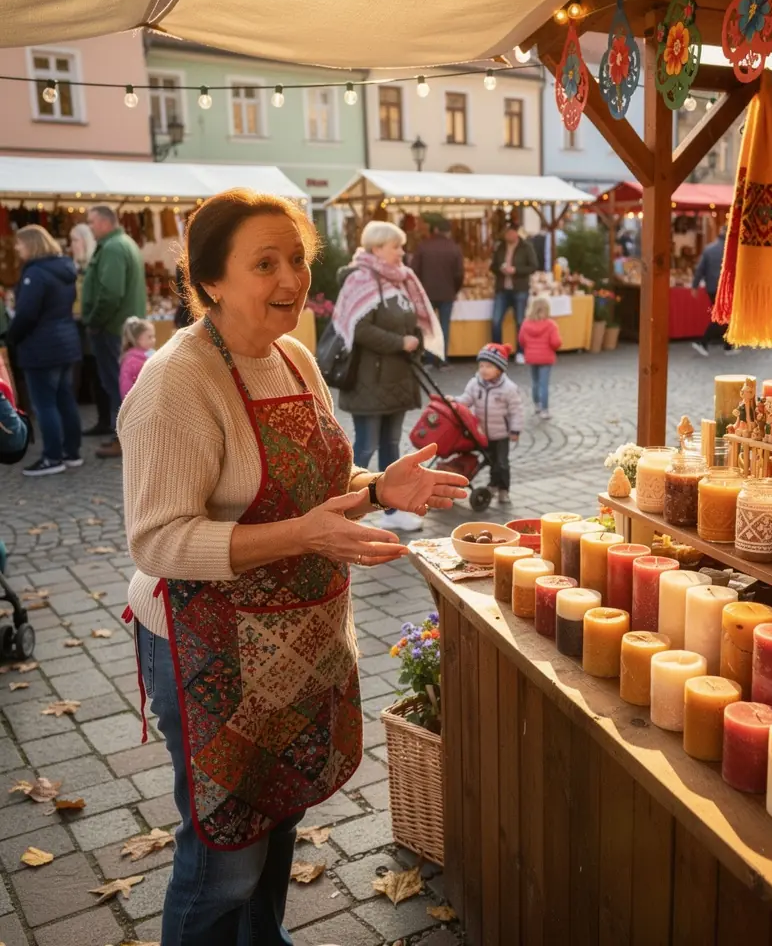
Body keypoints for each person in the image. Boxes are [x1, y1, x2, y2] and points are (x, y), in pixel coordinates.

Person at [119, 189, 468, 946]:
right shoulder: (176, 382)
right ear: (210, 279)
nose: (290, 280)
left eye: (298, 260)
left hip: (296, 642)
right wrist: (302, 537)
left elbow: (310, 493)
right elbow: (157, 542)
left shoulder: (295, 356)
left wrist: (378, 488)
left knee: (279, 814)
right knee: (225, 860)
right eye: (264, 263)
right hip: (205, 644)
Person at [334, 220, 446, 534]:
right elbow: (358, 328)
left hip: (397, 377)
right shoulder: (360, 279)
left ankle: (392, 510)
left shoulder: (401, 279)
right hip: (369, 381)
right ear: (377, 248)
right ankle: (336, 505)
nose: (401, 252)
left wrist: (414, 340)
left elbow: (413, 320)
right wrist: (399, 342)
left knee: (392, 445)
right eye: (396, 246)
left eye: (401, 245)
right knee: (366, 446)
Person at [6, 225, 83, 476]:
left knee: (45, 404)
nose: (17, 248)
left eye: (19, 244)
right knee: (64, 399)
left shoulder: (36, 274)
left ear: (31, 244)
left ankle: (53, 457)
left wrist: (12, 337)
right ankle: (72, 452)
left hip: (42, 347)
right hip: (65, 342)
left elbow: (27, 314)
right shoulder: (64, 268)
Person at [82, 205, 147, 459]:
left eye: (92, 222)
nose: (89, 227)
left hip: (113, 328)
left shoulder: (113, 247)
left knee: (118, 385)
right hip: (119, 327)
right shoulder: (122, 244)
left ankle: (123, 438)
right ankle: (122, 434)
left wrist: (95, 321)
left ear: (105, 223)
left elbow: (111, 293)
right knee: (120, 384)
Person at [455, 343, 523, 504]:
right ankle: (493, 484)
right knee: (490, 461)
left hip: (501, 434)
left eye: (489, 366)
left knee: (501, 463)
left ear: (499, 369)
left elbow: (516, 410)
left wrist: (515, 430)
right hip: (481, 433)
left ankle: (504, 489)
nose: (484, 369)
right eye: (481, 365)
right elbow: (466, 399)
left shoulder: (508, 388)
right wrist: (455, 401)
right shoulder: (474, 383)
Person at [69, 222, 113, 438]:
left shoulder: (95, 262)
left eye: (75, 240)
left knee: (101, 373)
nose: (72, 245)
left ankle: (109, 421)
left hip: (92, 324)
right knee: (92, 372)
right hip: (78, 324)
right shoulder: (75, 265)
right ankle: (102, 419)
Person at [409, 217, 463, 369]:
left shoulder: (423, 247)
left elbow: (414, 271)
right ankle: (442, 359)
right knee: (444, 326)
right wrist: (454, 289)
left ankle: (428, 358)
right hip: (447, 293)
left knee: (427, 327)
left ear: (436, 230)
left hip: (426, 294)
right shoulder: (454, 248)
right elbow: (459, 274)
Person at [491, 225, 538, 363]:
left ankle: (521, 351)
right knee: (496, 321)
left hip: (520, 289)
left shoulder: (526, 247)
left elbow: (533, 266)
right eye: (506, 233)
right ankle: (497, 351)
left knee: (520, 321)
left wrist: (516, 270)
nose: (508, 236)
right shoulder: (500, 247)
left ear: (516, 234)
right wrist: (500, 269)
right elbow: (493, 266)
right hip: (502, 289)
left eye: (510, 233)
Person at [690, 228, 737, 357]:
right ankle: (704, 342)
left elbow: (700, 269)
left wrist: (694, 285)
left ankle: (728, 346)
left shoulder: (709, 249)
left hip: (711, 287)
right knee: (722, 317)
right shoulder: (732, 251)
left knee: (724, 316)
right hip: (726, 288)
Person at [517, 296, 561, 420]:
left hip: (532, 357)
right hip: (546, 358)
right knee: (544, 384)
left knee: (535, 382)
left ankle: (537, 405)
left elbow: (521, 340)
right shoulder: (551, 325)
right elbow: (556, 342)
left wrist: (528, 348)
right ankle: (545, 410)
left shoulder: (526, 324)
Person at [119, 317, 156, 401]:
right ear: (138, 339)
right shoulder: (131, 361)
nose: (153, 340)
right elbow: (126, 385)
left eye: (154, 336)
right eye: (149, 337)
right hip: (139, 403)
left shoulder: (152, 354)